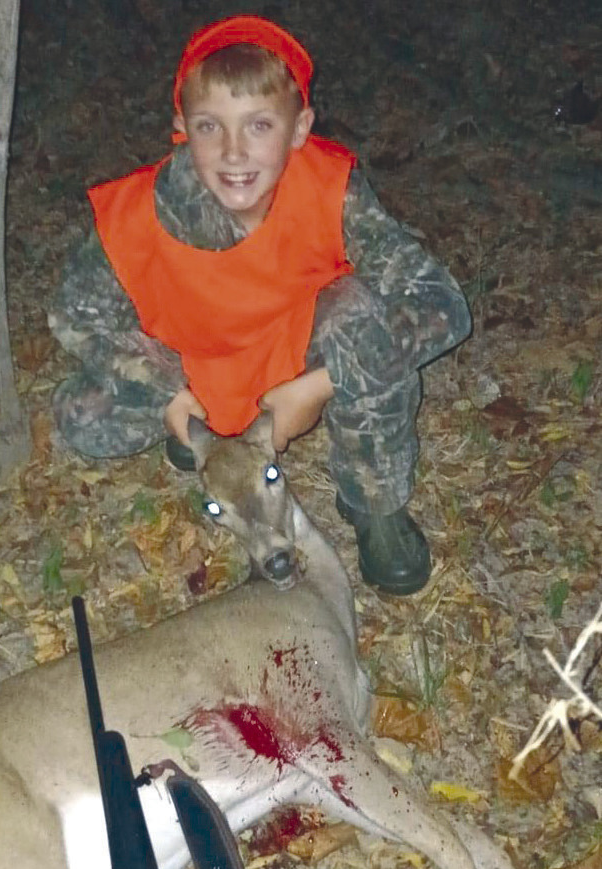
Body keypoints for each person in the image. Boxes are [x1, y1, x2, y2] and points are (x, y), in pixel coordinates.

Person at [47, 15, 471, 596]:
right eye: (209, 127)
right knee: (83, 416)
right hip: (194, 368)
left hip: (292, 358)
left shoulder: (330, 189)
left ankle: (375, 505)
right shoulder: (141, 212)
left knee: (357, 317)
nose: (234, 152)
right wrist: (167, 390)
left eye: (259, 126)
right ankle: (198, 437)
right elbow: (74, 316)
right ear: (181, 129)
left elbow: (440, 305)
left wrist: (317, 387)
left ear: (299, 128)